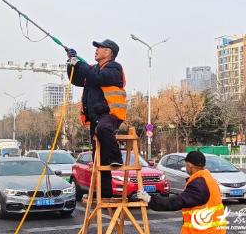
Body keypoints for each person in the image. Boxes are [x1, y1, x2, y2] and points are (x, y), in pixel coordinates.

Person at [66, 39, 127, 197]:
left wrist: (79, 63)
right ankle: (105, 194)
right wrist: (71, 62)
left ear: (109, 52)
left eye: (100, 47)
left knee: (104, 129)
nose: (96, 50)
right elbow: (76, 79)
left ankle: (117, 157)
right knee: (99, 159)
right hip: (95, 117)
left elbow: (98, 77)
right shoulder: (94, 70)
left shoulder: (114, 68)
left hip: (110, 113)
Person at [137, 151, 226, 233]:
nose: (186, 167)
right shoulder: (208, 179)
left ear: (190, 165)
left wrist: (150, 199)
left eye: (186, 164)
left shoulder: (199, 183)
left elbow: (177, 202)